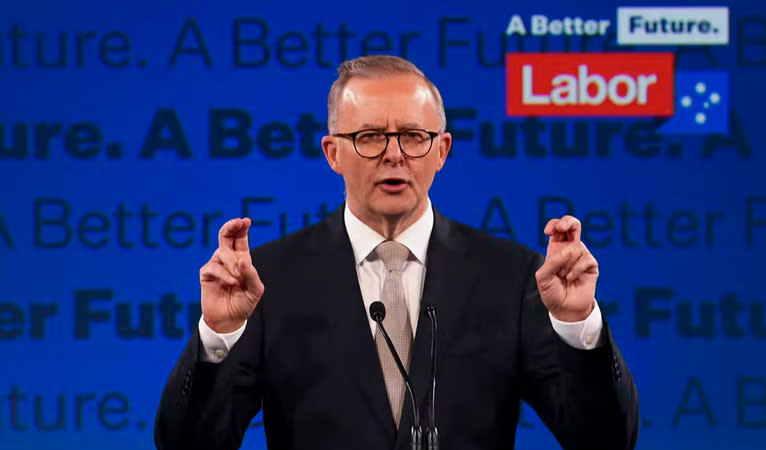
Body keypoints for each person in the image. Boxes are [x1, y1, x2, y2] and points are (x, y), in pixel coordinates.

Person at [154, 55, 638, 450]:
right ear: (332, 153)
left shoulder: (511, 277)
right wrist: (219, 335)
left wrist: (578, 326)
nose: (393, 154)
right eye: (369, 137)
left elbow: (605, 441)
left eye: (412, 136)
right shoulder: (270, 280)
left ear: (442, 151)